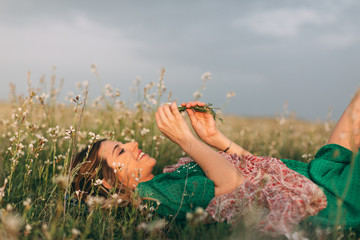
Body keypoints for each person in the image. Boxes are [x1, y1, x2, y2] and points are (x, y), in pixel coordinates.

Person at [71, 91, 360, 236]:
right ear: (106, 182)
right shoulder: (155, 198)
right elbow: (233, 184)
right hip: (329, 200)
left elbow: (258, 169)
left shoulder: (165, 180)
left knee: (353, 115)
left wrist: (213, 137)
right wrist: (185, 139)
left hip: (313, 175)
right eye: (121, 151)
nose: (133, 145)